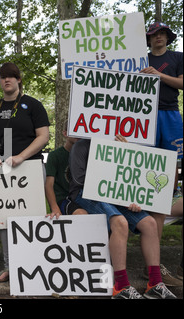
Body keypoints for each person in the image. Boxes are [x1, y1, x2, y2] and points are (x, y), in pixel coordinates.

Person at [68, 136, 177, 299]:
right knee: (120, 223)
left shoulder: (123, 144)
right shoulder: (82, 146)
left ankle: (154, 283)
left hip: (115, 196)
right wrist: (118, 195)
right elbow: (80, 180)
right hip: (85, 194)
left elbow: (135, 181)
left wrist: (132, 197)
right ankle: (121, 287)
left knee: (150, 224)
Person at [0, 62, 50, 282]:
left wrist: (22, 156)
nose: (7, 80)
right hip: (3, 172)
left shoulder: (32, 105)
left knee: (33, 219)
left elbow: (43, 136)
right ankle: (11, 267)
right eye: (3, 77)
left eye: (11, 76)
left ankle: (36, 266)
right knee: (5, 219)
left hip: (31, 167)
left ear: (18, 79)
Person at [140, 22, 183, 286]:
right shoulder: (139, 59)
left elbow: (181, 84)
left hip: (170, 114)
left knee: (172, 165)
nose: (158, 38)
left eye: (162, 34)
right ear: (148, 39)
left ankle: (170, 197)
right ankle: (146, 198)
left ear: (167, 37)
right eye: (154, 34)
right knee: (147, 164)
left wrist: (157, 75)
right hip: (143, 115)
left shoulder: (177, 57)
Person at [45, 128, 87, 219]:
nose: (78, 134)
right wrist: (54, 207)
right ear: (65, 133)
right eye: (74, 130)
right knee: (81, 214)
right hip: (64, 199)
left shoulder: (88, 155)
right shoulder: (55, 156)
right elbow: (49, 185)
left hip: (82, 197)